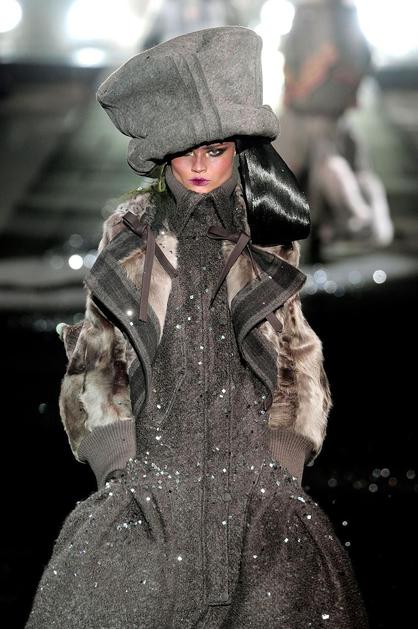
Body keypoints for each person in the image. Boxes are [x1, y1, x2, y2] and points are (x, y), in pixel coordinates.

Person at [27, 27, 368, 628]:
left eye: (215, 149)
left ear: (239, 148)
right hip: (151, 483)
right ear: (162, 154)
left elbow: (295, 349)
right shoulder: (131, 235)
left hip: (255, 486)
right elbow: (98, 353)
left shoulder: (265, 236)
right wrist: (117, 458)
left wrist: (284, 455)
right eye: (185, 151)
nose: (199, 165)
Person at [274, 0, 394, 262]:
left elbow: (355, 62)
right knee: (296, 178)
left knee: (329, 172)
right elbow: (295, 76)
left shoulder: (336, 16)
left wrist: (318, 77)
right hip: (310, 118)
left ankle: (352, 225)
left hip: (324, 119)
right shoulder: (313, 15)